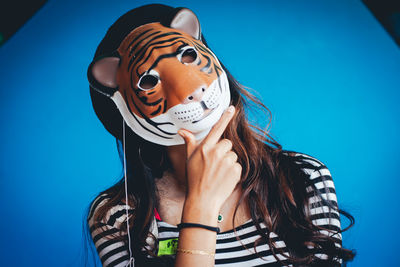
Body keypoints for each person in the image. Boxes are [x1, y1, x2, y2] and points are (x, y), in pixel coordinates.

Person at [85, 4, 355, 267]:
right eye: (149, 80)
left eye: (188, 55)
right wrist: (201, 206)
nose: (192, 92)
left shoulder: (303, 178)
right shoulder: (117, 216)